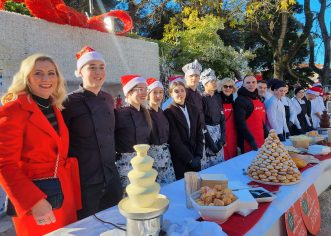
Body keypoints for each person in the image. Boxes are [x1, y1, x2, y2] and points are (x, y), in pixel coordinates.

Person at [0, 54, 81, 235]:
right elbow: (5, 165)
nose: (46, 79)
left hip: (62, 193)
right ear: (27, 78)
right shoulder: (12, 111)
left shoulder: (54, 106)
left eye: (51, 73)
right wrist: (34, 201)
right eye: (38, 73)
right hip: (37, 198)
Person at [62, 46, 122, 219]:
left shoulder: (109, 99)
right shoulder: (68, 102)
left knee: (114, 221)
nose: (98, 72)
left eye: (101, 67)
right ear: (80, 72)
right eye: (92, 67)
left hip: (111, 177)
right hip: (85, 182)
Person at [115, 75, 152, 187]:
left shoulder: (145, 113)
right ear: (129, 92)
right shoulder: (119, 113)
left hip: (143, 162)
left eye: (146, 89)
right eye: (140, 89)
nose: (144, 93)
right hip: (126, 166)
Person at [164, 80, 204, 179]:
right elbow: (174, 139)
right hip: (181, 158)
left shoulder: (194, 109)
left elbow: (199, 133)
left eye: (182, 90)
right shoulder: (169, 112)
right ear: (171, 94)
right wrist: (189, 159)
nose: (180, 94)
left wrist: (199, 155)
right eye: (176, 91)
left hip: (195, 155)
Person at [146, 77, 176, 185]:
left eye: (161, 92)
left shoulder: (163, 113)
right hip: (152, 158)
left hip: (166, 155)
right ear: (148, 94)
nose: (158, 96)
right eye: (155, 92)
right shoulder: (145, 114)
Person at [234, 74, 267, 153]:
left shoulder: (258, 98)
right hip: (247, 140)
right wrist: (251, 140)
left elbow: (261, 120)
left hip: (261, 136)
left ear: (256, 84)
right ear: (244, 85)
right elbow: (240, 123)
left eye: (253, 82)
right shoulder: (240, 100)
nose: (251, 84)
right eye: (248, 83)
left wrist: (267, 134)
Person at [200, 69, 225, 168]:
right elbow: (201, 122)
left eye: (215, 81)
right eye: (212, 81)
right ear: (205, 84)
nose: (215, 83)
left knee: (220, 165)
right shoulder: (201, 98)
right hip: (208, 135)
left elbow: (222, 118)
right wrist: (211, 144)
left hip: (218, 133)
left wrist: (222, 138)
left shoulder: (218, 97)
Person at [217, 77, 238, 160]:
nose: (228, 88)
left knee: (233, 156)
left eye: (230, 86)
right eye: (225, 86)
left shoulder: (233, 102)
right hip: (222, 134)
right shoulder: (217, 101)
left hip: (233, 134)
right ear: (221, 88)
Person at [182, 59, 204, 125]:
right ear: (186, 77)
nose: (194, 78)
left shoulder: (198, 94)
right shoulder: (183, 93)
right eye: (191, 76)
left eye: (196, 76)